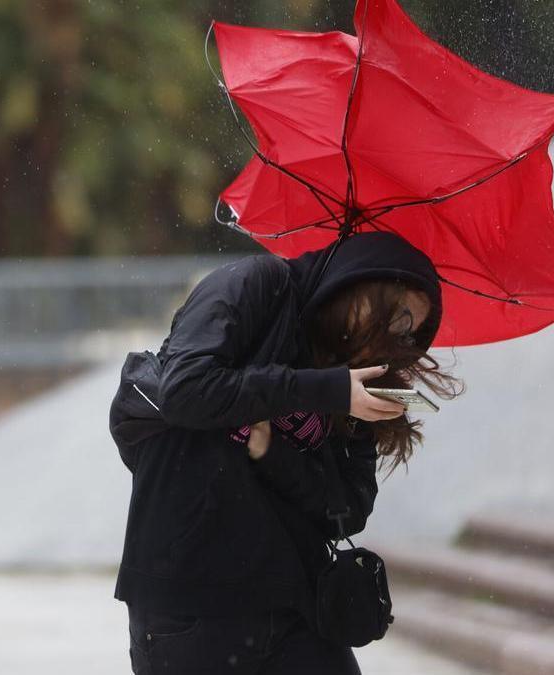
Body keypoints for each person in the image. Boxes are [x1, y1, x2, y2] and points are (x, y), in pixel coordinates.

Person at [108, 230, 463, 673]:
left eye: (410, 331)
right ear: (362, 280)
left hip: (293, 609)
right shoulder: (256, 284)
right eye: (399, 315)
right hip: (192, 605)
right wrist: (325, 389)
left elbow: (347, 511)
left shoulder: (358, 378)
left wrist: (275, 454)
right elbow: (185, 389)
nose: (397, 335)